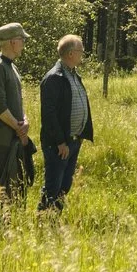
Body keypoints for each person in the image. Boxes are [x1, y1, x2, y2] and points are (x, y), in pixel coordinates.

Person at [38, 34, 95, 213]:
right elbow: (49, 115)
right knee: (53, 187)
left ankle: (55, 219)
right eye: (80, 51)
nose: (82, 54)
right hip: (59, 145)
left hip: (73, 141)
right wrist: (60, 142)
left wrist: (79, 137)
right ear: (70, 53)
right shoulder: (54, 77)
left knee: (64, 186)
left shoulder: (73, 75)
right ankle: (42, 221)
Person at [0, 23, 33, 202]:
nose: (23, 44)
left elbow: (17, 102)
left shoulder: (12, 67)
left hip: (14, 135)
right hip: (2, 137)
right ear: (12, 42)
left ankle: (8, 223)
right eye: (22, 40)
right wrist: (19, 128)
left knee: (15, 184)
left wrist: (24, 121)